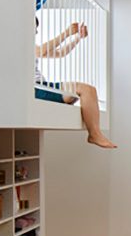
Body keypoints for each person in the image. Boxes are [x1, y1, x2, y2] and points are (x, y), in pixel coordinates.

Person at [35, 19, 116, 149]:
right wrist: (66, 33)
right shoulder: (20, 44)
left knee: (89, 90)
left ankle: (95, 133)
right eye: (34, 28)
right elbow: (40, 52)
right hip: (35, 88)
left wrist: (78, 38)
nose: (36, 31)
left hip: (42, 85)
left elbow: (61, 53)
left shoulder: (32, 45)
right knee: (84, 90)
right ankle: (94, 134)